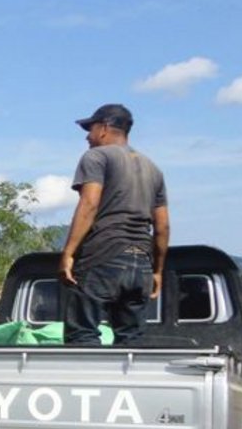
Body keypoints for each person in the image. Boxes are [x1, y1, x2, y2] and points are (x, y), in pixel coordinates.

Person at [58, 103, 170, 346]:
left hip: (104, 254)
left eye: (90, 129)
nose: (87, 137)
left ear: (104, 128)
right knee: (131, 340)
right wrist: (157, 271)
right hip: (141, 264)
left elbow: (89, 204)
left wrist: (68, 253)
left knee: (82, 335)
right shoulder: (154, 169)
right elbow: (162, 227)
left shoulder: (96, 157)